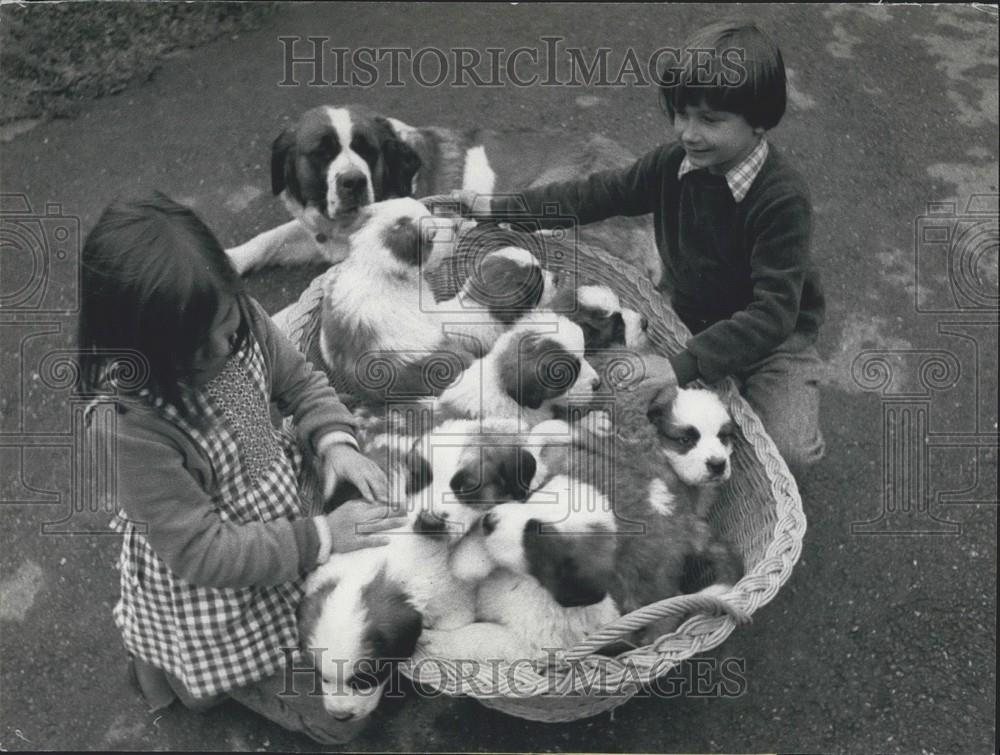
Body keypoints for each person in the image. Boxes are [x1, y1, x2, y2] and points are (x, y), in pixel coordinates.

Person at [79, 192, 406, 744]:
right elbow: (203, 552)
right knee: (341, 722)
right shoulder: (130, 426)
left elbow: (300, 383)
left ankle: (191, 670)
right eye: (191, 352)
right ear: (134, 347)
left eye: (227, 331)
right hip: (218, 582)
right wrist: (322, 535)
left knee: (360, 630)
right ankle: (193, 676)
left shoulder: (236, 322)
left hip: (278, 511)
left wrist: (335, 442)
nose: (220, 352)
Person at [455, 20, 825, 477]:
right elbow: (591, 195)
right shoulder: (673, 165)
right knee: (614, 405)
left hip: (773, 344)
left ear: (759, 122)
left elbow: (774, 314)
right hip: (683, 319)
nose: (688, 133)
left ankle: (752, 405)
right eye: (681, 113)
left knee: (787, 453)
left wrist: (681, 368)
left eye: (710, 120)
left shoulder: (780, 199)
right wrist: (500, 208)